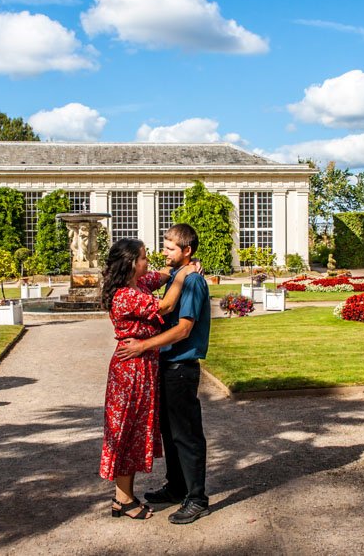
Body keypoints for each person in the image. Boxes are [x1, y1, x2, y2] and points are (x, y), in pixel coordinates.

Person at [116, 223, 211, 524]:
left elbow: (184, 329)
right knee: (170, 433)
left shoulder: (193, 281)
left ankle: (197, 498)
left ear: (187, 251)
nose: (163, 252)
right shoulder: (179, 277)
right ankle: (177, 487)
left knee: (186, 435)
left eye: (170, 248)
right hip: (166, 366)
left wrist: (143, 345)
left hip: (181, 367)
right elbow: (165, 303)